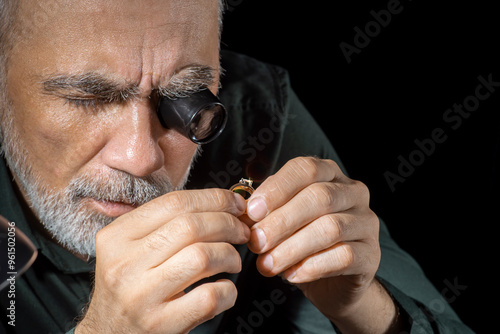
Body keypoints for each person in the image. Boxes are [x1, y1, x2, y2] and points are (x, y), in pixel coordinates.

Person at [0, 0, 473, 333]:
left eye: (185, 98)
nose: (142, 158)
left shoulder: (257, 121)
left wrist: (364, 309)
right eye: (87, 98)